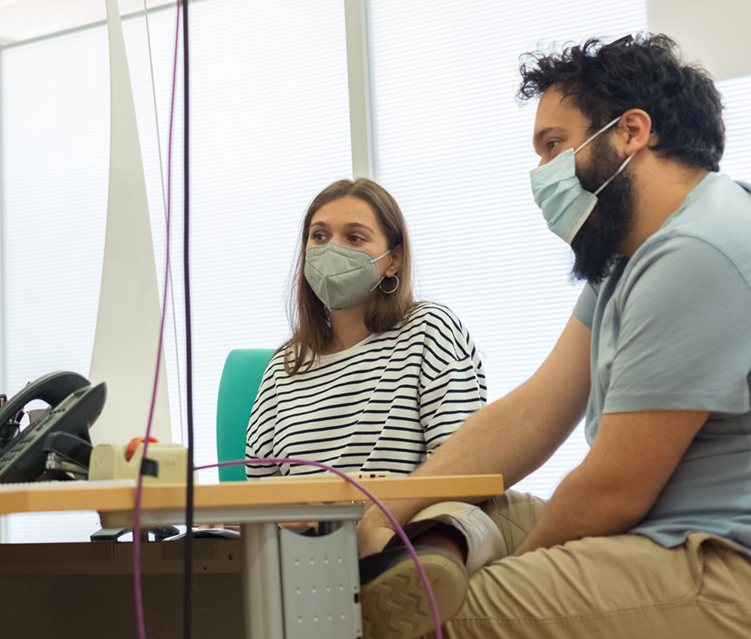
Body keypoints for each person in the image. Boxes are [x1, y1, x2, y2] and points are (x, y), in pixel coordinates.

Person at [355, 34, 751, 639]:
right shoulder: (634, 252)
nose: (542, 174)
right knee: (447, 513)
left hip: (716, 562)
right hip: (659, 536)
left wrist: (520, 571)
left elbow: (614, 489)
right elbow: (537, 410)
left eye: (554, 146)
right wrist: (389, 509)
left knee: (436, 617)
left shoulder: (696, 252)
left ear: (631, 132)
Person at [245, 179, 486, 487]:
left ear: (393, 259)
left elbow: (461, 468)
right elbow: (259, 496)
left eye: (355, 238)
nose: (332, 249)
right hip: (302, 536)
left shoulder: (429, 332)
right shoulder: (285, 365)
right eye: (319, 236)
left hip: (405, 531)